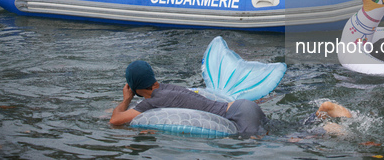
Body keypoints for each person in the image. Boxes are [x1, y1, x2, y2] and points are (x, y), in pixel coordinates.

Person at [109, 60, 267, 134]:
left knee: (264, 142)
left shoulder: (153, 101)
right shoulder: (165, 88)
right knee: (274, 132)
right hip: (242, 106)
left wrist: (126, 99)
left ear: (133, 85)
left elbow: (115, 120)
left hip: (238, 116)